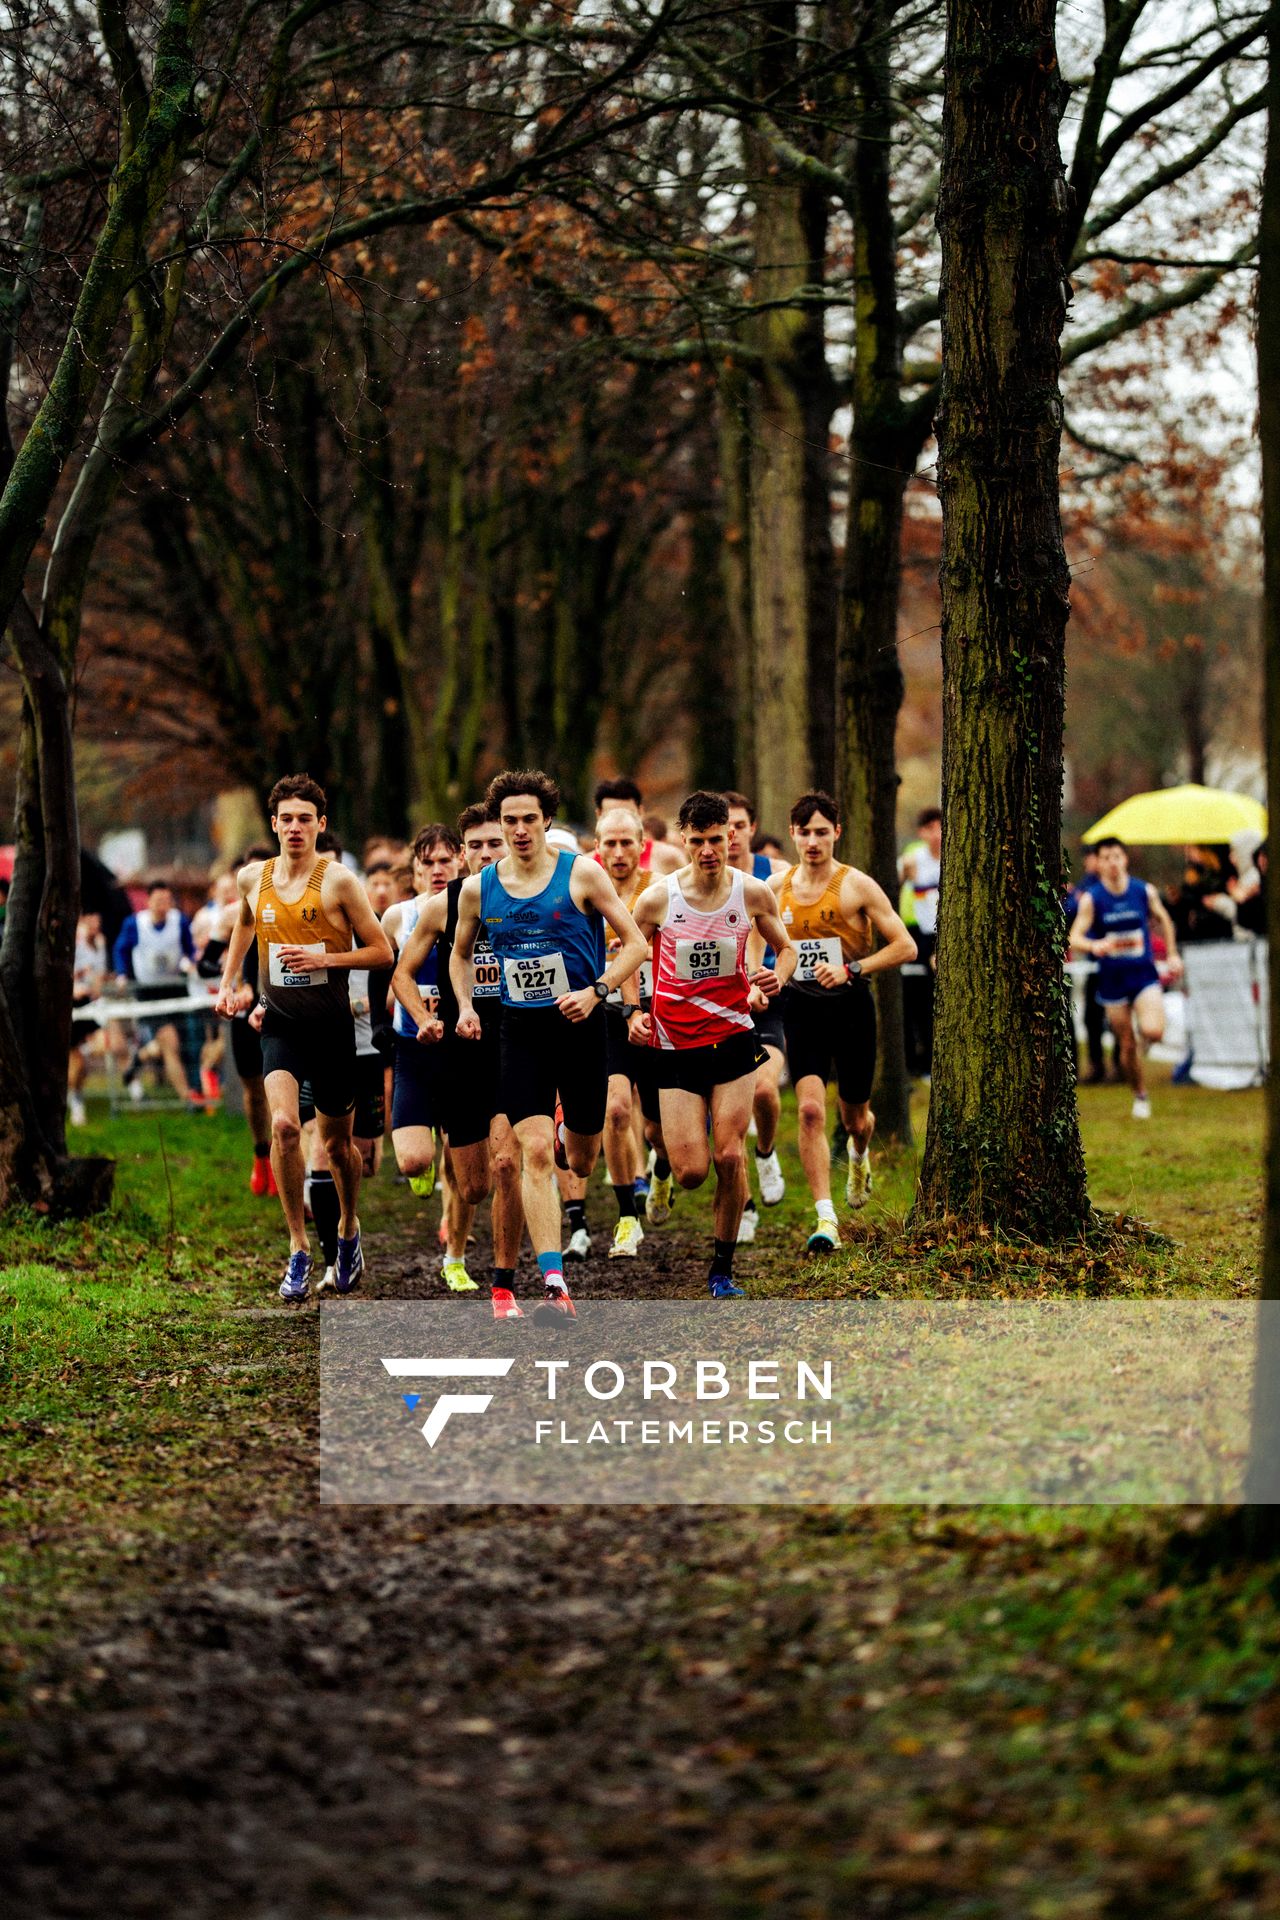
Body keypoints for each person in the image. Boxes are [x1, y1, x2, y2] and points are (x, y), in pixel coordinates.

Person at [450, 769, 647, 1323]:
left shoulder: (582, 874)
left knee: (581, 1155)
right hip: (522, 1032)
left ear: (547, 821)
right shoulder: (478, 889)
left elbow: (634, 943)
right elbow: (460, 955)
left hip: (580, 1027)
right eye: (508, 820)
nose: (517, 830)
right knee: (531, 1153)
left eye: (528, 819)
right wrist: (466, 1006)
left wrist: (598, 992)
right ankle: (555, 1284)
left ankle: (572, 1136)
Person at [215, 774, 394, 1300]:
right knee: (286, 1127)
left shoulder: (338, 882)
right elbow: (245, 926)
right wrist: (231, 981)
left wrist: (326, 959)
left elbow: (382, 952)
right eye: (285, 819)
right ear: (273, 824)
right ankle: (297, 1246)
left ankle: (347, 1229)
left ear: (321, 824)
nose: (294, 827)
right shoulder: (254, 878)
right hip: (280, 1025)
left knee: (338, 1146)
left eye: (304, 819)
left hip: (333, 1029)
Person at [630, 790, 794, 1297]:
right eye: (698, 840)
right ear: (683, 840)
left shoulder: (752, 893)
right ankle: (661, 1166)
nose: (708, 850)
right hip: (675, 1045)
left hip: (732, 1038)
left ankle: (722, 1271)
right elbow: (631, 954)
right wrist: (635, 1008)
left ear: (731, 837)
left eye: (717, 839)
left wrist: (776, 978)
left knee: (729, 1156)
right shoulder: (658, 897)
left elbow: (786, 950)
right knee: (693, 1171)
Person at [771, 792, 917, 1252]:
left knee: (856, 1117)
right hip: (801, 1008)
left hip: (852, 1007)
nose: (813, 842)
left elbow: (905, 946)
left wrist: (853, 968)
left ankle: (858, 1155)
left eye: (821, 832)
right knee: (811, 1110)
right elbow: (757, 939)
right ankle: (826, 1217)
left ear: (837, 832)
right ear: (792, 834)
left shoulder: (857, 886)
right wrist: (766, 980)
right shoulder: (777, 888)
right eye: (804, 832)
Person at [393, 801, 526, 1303]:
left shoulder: (534, 896)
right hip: (459, 1055)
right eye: (476, 846)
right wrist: (426, 1019)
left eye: (496, 842)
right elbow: (402, 974)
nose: (487, 853)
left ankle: (504, 1283)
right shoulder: (441, 906)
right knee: (473, 1187)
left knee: (509, 1163)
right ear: (464, 852)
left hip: (517, 1048)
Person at [595, 805, 667, 1257]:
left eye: (627, 843)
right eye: (610, 843)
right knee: (616, 1110)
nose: (619, 852)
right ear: (597, 848)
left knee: (659, 1132)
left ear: (643, 845)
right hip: (607, 1016)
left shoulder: (661, 891)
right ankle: (626, 1216)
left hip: (661, 1016)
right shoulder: (584, 890)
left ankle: (661, 1170)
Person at [1069, 836, 1183, 1121]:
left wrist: (1171, 953)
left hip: (1143, 974)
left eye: (1116, 856)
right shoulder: (1092, 898)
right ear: (1099, 864)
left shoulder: (1143, 891)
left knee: (1154, 1031)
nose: (1112, 863)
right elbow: (1075, 937)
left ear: (1125, 859)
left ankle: (1146, 1044)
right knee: (1126, 1043)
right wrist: (1095, 946)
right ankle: (1140, 1094)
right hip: (1112, 980)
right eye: (1105, 858)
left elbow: (1164, 919)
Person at [723, 791, 788, 1234]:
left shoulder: (775, 878)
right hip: (719, 1005)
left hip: (767, 1003)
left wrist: (770, 979)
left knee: (764, 1091)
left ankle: (765, 1153)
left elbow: (785, 939)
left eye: (738, 827)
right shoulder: (696, 883)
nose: (729, 837)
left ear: (752, 828)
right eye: (721, 829)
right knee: (729, 1117)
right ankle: (743, 1207)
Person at [113, 880, 200, 1104]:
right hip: (148, 991)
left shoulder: (179, 921)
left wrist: (189, 962)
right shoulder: (134, 924)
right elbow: (120, 950)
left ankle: (138, 1058)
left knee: (175, 1041)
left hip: (174, 988)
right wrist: (122, 974)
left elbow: (190, 948)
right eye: (158, 900)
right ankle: (186, 1097)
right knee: (169, 1041)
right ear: (149, 901)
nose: (163, 905)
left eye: (167, 901)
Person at [901, 806, 941, 1079]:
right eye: (931, 829)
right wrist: (905, 875)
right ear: (921, 833)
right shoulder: (914, 859)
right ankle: (922, 1063)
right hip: (923, 935)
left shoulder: (954, 856)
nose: (937, 834)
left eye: (941, 827)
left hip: (947, 934)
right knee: (921, 1002)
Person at [594, 777, 682, 875]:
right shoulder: (585, 865)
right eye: (611, 815)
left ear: (640, 812)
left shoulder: (669, 857)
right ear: (598, 815)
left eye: (628, 815)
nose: (619, 821)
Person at [68, 912, 108, 1126]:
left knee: (103, 1045)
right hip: (71, 1006)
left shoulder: (98, 943)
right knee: (77, 1063)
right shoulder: (70, 941)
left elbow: (97, 975)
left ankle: (74, 1091)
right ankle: (75, 1101)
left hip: (91, 1004)